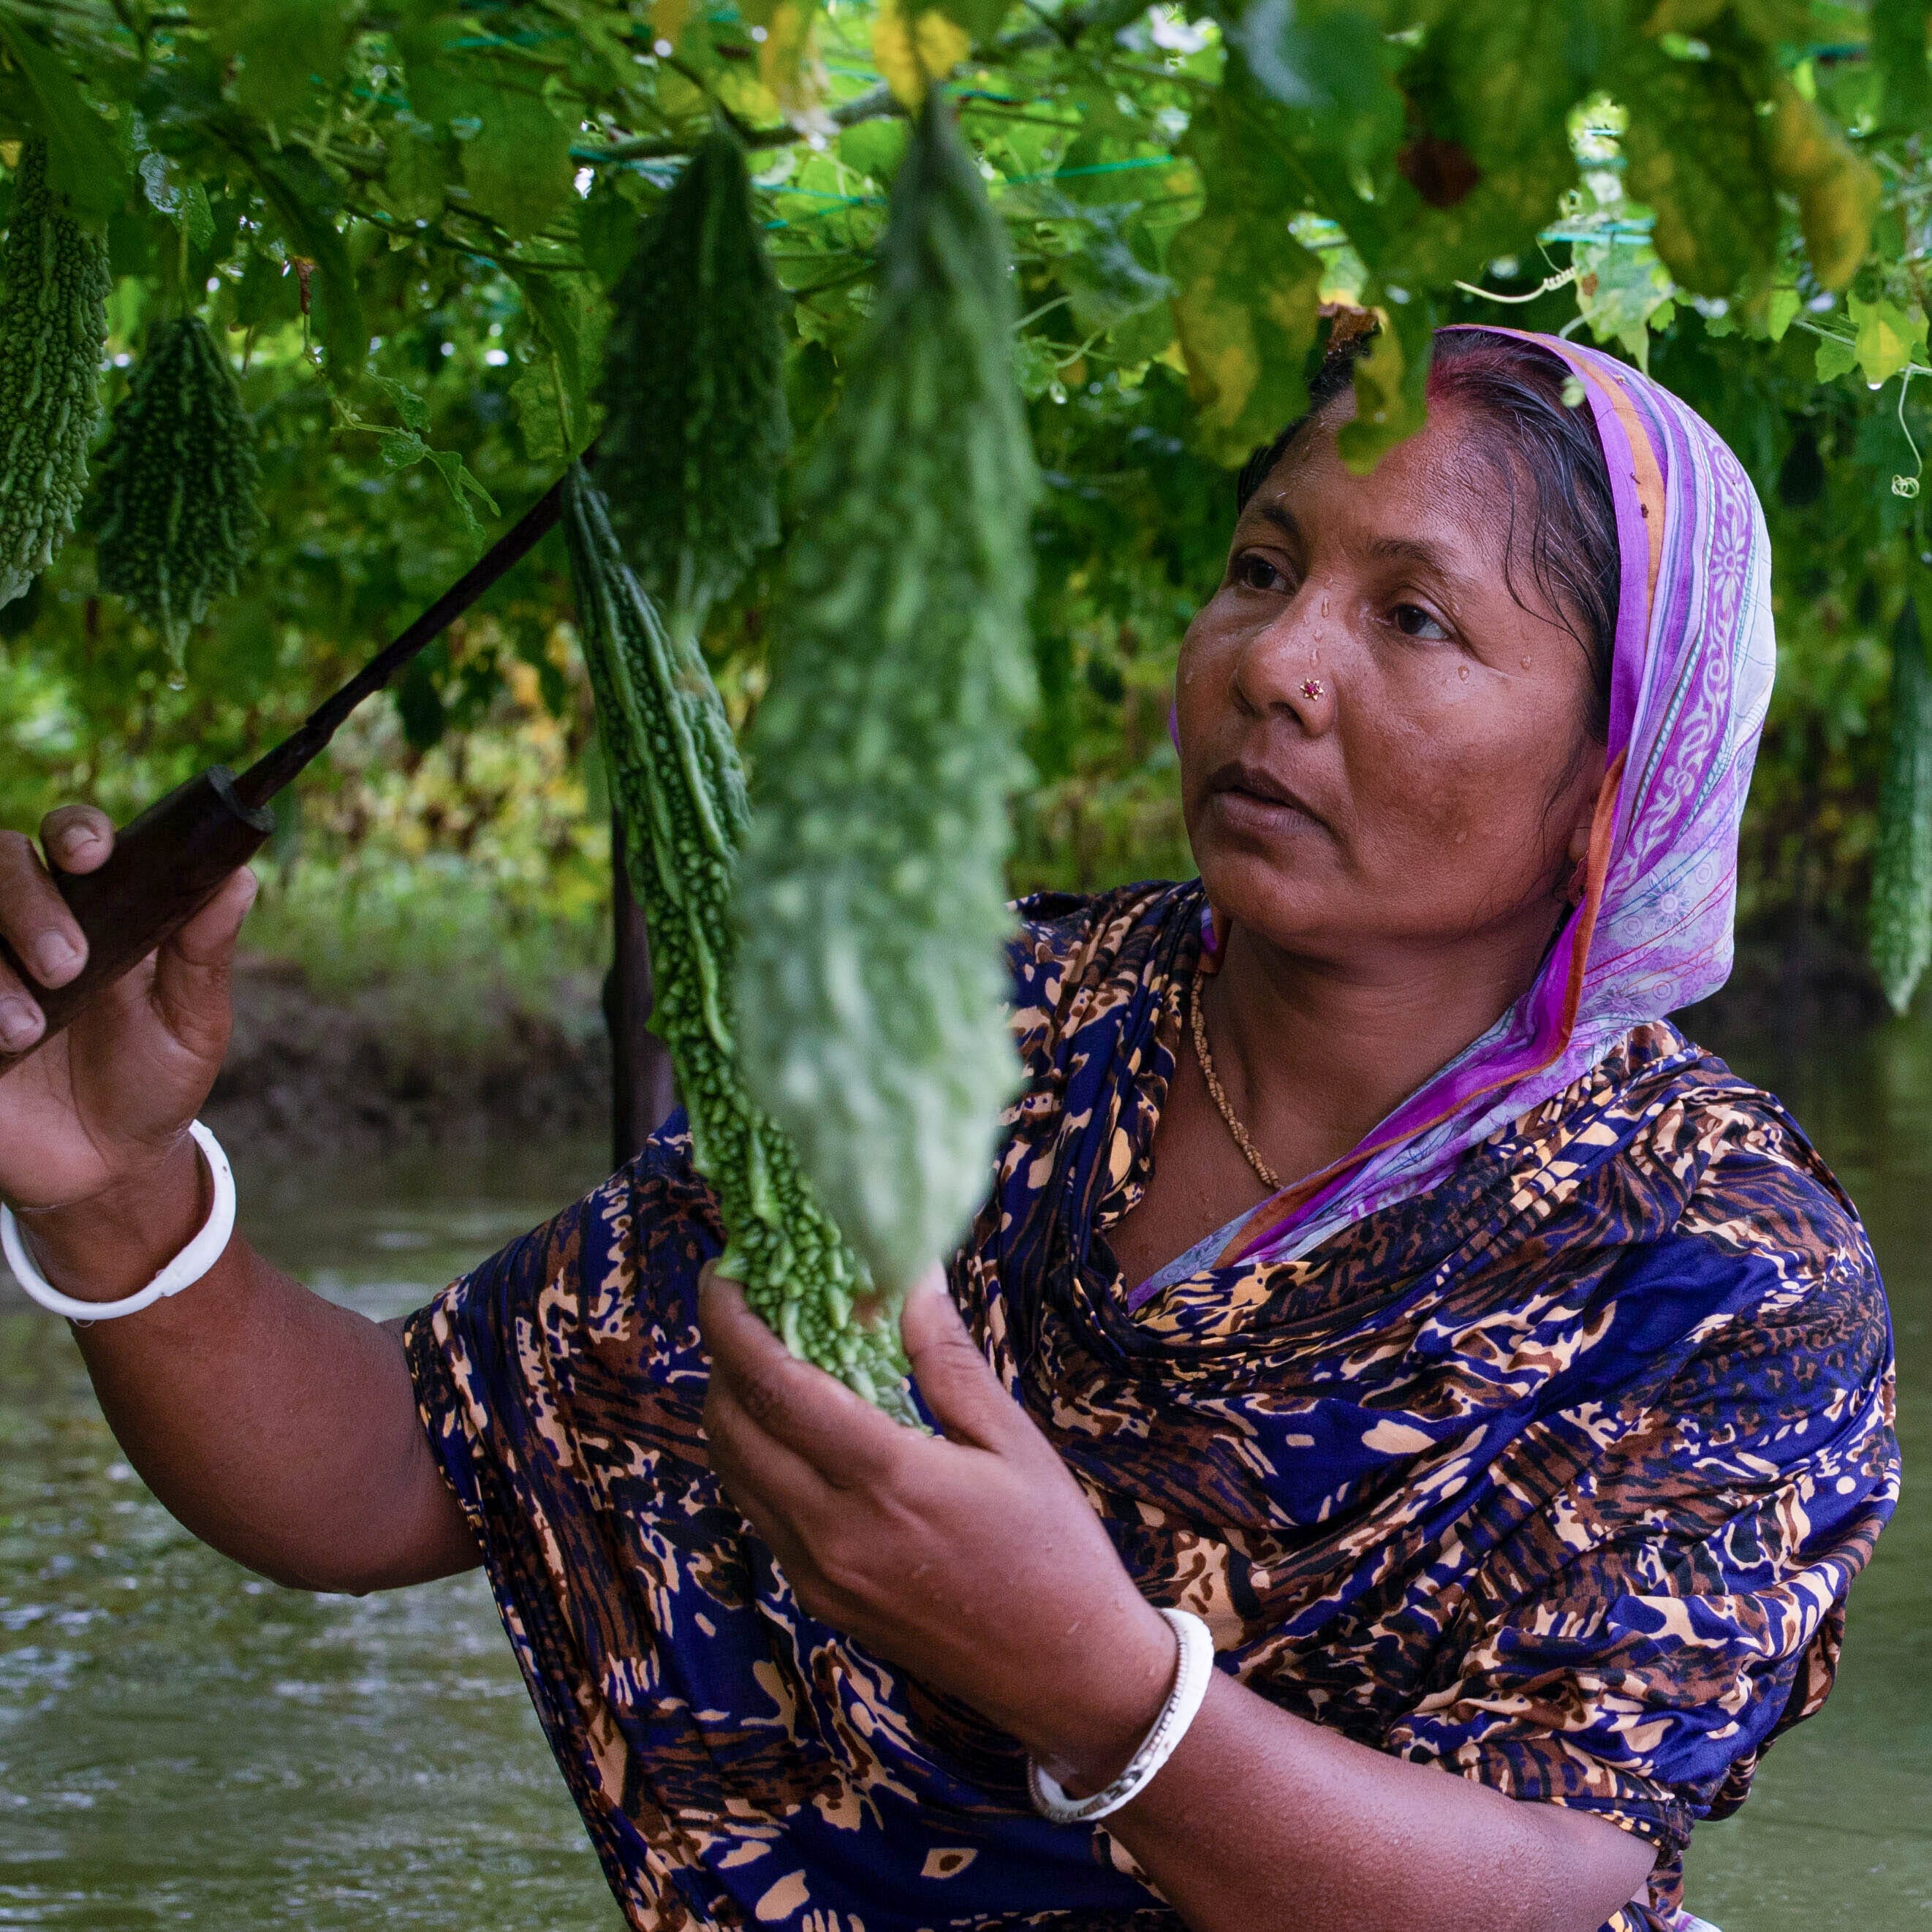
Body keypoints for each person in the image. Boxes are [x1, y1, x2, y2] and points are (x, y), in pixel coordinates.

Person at [0, 327, 1896, 1932]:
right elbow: (403, 1460)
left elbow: (1555, 1881)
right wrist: (107, 1189)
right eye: (1257, 563)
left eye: (1411, 614)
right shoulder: (957, 1033)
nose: (1273, 661)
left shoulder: (1719, 1263)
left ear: (1613, 766)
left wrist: (1093, 1684)